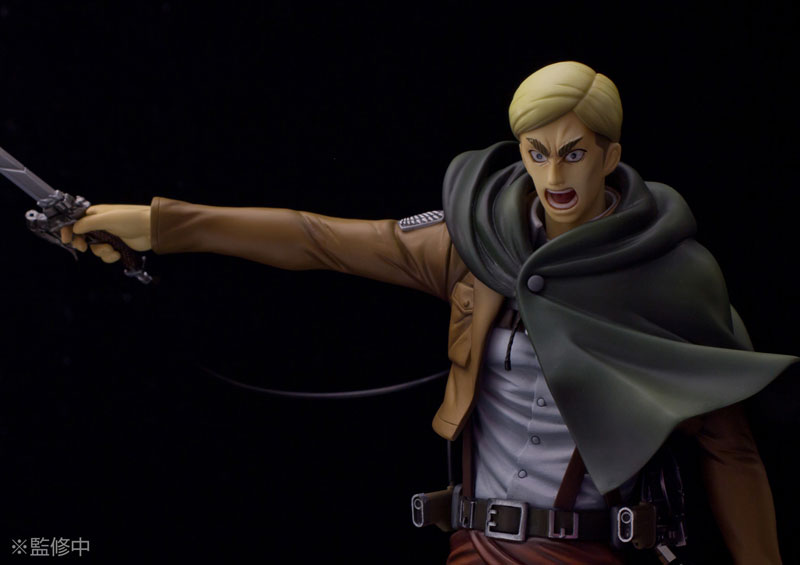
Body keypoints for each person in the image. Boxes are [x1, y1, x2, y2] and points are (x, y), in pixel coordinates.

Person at [62, 61, 796, 564]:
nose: (554, 174)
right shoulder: (477, 244)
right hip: (478, 546)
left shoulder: (668, 275)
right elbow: (320, 239)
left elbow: (728, 447)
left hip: (591, 549)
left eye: (574, 153)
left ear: (610, 156)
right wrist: (158, 225)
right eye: (537, 152)